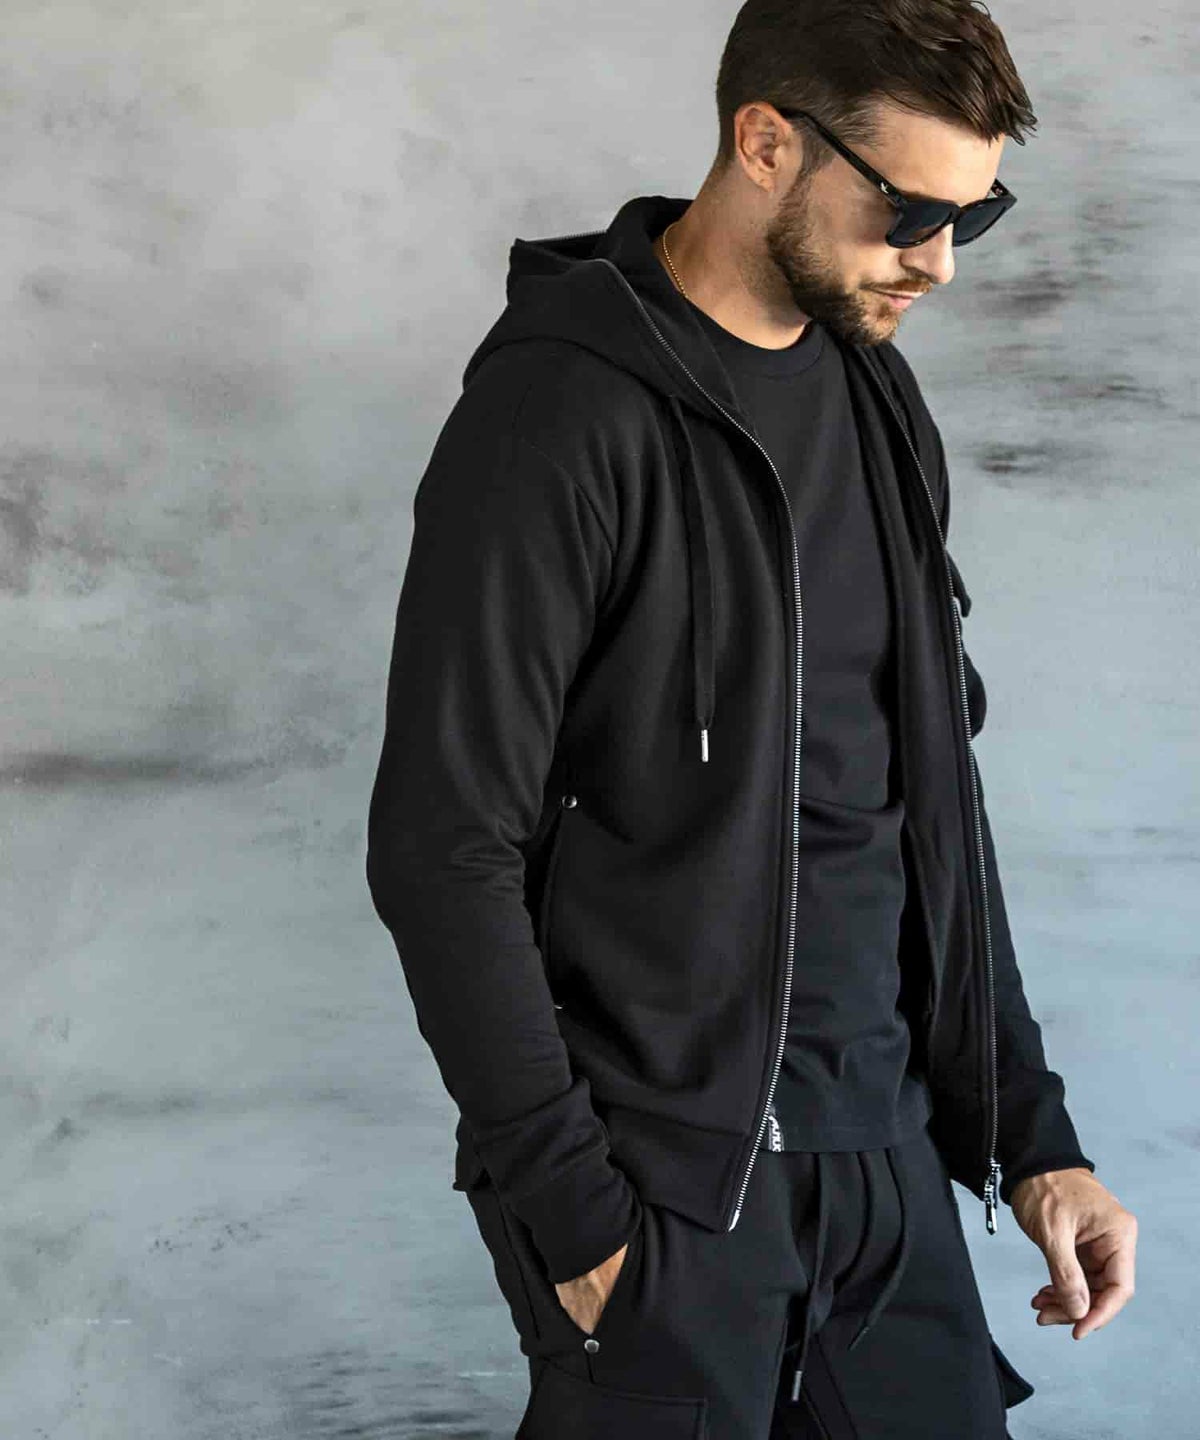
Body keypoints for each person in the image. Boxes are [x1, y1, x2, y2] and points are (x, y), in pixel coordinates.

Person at [365, 2, 1138, 1434]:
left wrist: (1032, 1138)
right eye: (909, 212)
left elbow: (926, 803)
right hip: (665, 1181)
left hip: (888, 1158)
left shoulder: (877, 398)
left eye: (974, 215)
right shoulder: (558, 416)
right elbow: (443, 843)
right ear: (766, 143)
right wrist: (574, 1215)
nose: (940, 262)